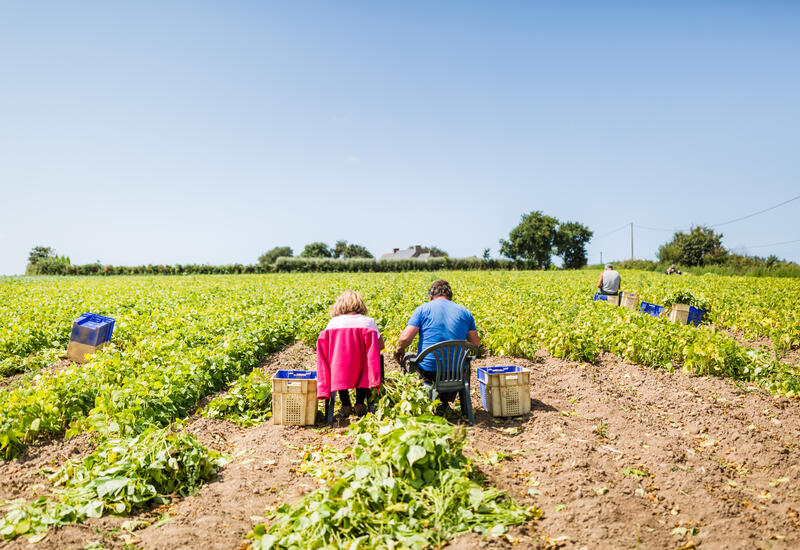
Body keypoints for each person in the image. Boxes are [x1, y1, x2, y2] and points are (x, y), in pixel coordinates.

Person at [393, 279, 480, 414]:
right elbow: (475, 344)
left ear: (430, 298)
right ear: (450, 298)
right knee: (465, 365)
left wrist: (399, 350)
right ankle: (446, 402)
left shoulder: (423, 309)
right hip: (455, 374)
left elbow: (405, 338)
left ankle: (423, 404)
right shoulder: (464, 312)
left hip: (430, 372)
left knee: (410, 361)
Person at [316, 290, 384, 417]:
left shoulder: (333, 323)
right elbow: (380, 346)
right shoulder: (369, 322)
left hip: (339, 369)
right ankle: (360, 403)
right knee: (366, 365)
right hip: (361, 368)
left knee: (338, 366)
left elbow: (325, 348)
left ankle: (345, 404)